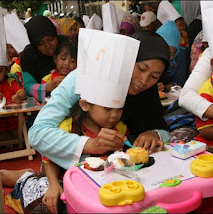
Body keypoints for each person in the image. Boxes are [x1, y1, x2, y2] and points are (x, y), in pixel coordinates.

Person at [28, 30, 171, 170]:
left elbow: (162, 128)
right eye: (141, 68)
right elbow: (37, 133)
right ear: (126, 60)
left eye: (154, 76)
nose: (144, 81)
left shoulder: (147, 93)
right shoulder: (81, 79)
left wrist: (154, 133)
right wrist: (89, 144)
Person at [40, 29, 139, 213]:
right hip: (68, 180)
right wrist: (53, 185)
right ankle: (20, 180)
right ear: (85, 105)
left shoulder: (120, 126)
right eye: (107, 109)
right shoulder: (68, 127)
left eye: (119, 110)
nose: (114, 116)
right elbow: (49, 159)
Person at [20, 16, 63, 103]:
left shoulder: (66, 47)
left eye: (51, 39)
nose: (48, 46)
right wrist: (46, 87)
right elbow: (28, 86)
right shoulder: (29, 56)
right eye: (41, 43)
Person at [156, 21, 187, 92]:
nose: (168, 57)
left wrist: (165, 87)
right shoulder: (150, 54)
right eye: (164, 52)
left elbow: (179, 82)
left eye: (172, 54)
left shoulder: (180, 56)